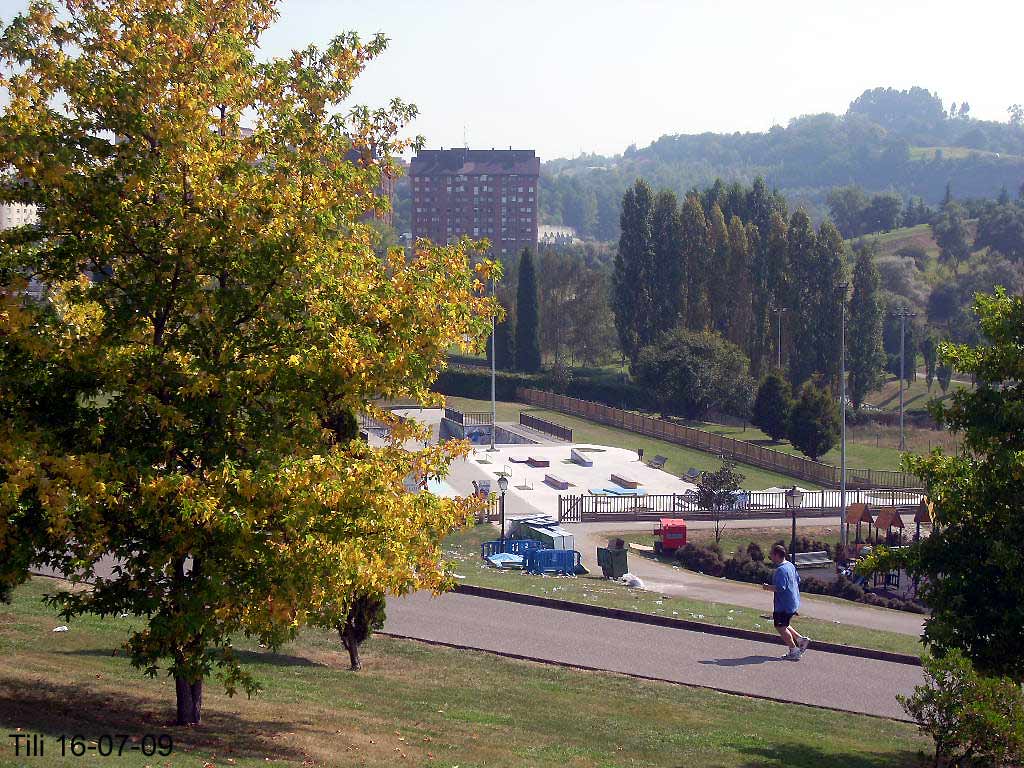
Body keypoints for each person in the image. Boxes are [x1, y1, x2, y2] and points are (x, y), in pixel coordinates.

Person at [762, 544, 811, 660]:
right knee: (784, 624)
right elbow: (797, 580)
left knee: (780, 627)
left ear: (777, 555)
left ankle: (794, 650)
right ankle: (801, 640)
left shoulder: (780, 570)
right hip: (793, 602)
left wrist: (767, 587)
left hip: (783, 605)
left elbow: (780, 588)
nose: (770, 557)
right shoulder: (790, 565)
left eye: (772, 555)